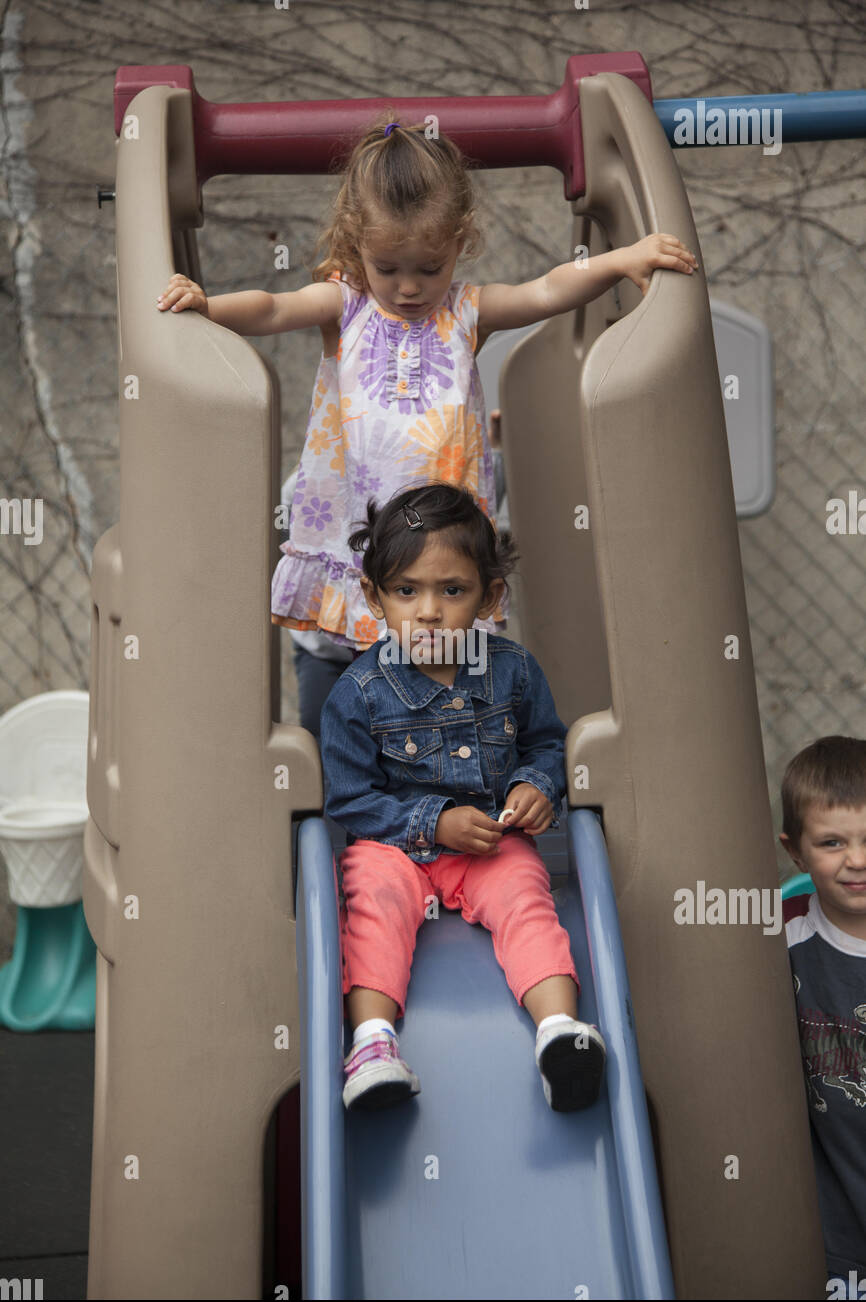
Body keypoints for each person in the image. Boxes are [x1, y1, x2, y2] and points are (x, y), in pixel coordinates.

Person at [156, 114, 698, 734]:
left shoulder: (467, 310)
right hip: (359, 526)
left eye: (429, 267)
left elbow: (548, 290)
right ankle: (360, 776)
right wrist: (208, 305)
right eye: (388, 267)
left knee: (435, 660)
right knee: (366, 666)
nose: (409, 287)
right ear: (356, 244)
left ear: (459, 243)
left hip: (440, 535)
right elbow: (274, 306)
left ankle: (439, 776)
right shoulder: (347, 304)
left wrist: (619, 259)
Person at [318, 482, 606, 1114]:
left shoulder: (515, 672)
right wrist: (432, 822)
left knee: (525, 894)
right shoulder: (358, 693)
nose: (428, 611)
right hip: (396, 848)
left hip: (486, 850)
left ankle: (560, 1033)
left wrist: (537, 786)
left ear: (489, 596)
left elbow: (546, 745)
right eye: (406, 590)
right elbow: (349, 801)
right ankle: (372, 1044)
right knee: (371, 898)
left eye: (452, 590)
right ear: (374, 597)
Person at [779, 735, 866, 1296]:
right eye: (832, 842)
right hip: (840, 1208)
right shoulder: (779, 936)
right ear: (795, 852)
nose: (857, 860)